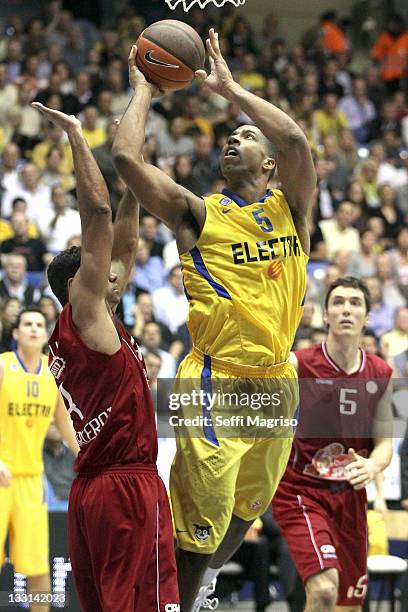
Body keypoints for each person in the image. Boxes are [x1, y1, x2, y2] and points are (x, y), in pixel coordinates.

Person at [113, 29, 316, 611]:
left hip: (278, 381)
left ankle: (198, 588)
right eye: (229, 137)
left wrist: (231, 91)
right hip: (214, 381)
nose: (234, 140)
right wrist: (143, 88)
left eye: (246, 137)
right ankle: (173, 600)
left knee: (246, 512)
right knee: (197, 524)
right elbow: (128, 159)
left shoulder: (292, 211)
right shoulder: (197, 214)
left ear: (270, 164)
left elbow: (298, 139)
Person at [31, 101, 179, 611]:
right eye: (101, 270)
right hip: (125, 487)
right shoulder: (86, 312)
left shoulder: (83, 329)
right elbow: (96, 215)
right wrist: (78, 134)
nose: (116, 270)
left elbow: (126, 236)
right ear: (79, 285)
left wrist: (132, 164)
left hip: (92, 491)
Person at [273, 277, 393, 611]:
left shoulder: (381, 373)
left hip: (350, 497)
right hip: (301, 490)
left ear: (367, 317)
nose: (346, 309)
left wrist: (372, 465)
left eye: (355, 303)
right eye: (338, 302)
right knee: (324, 589)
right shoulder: (298, 364)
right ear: (325, 314)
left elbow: (384, 444)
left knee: (348, 604)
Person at [0, 307, 78, 612]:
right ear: (16, 333)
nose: (33, 328)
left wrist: (88, 458)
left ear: (46, 335)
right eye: (27, 324)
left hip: (31, 481)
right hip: (1, 476)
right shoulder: (3, 367)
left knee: (38, 569)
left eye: (39, 324)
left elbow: (66, 425)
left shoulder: (52, 376)